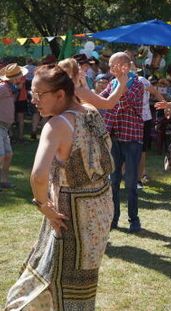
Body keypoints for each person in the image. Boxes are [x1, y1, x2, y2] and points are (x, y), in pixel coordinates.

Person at [5, 64, 114, 310]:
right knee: (82, 277)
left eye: (39, 94)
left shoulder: (56, 126)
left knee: (56, 274)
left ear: (60, 95)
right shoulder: (91, 112)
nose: (34, 100)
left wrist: (43, 206)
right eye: (32, 94)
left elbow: (38, 176)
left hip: (71, 214)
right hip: (101, 207)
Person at [101, 52, 144, 233]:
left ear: (125, 66)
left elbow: (124, 101)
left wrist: (121, 83)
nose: (110, 69)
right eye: (110, 65)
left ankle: (134, 220)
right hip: (115, 138)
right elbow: (101, 100)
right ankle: (114, 218)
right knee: (113, 181)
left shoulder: (138, 84)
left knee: (131, 183)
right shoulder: (112, 83)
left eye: (114, 65)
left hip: (132, 139)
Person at [0, 63, 27, 189]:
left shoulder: (10, 88)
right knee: (1, 155)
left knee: (8, 154)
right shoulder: (3, 87)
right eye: (20, 76)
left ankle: (4, 180)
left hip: (5, 127)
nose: (21, 78)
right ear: (14, 78)